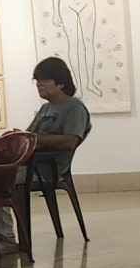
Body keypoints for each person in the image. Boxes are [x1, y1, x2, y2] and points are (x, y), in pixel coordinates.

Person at [24, 56, 91, 191]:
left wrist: (36, 139)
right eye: (37, 80)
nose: (38, 84)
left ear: (61, 83)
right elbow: (28, 135)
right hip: (32, 164)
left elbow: (70, 141)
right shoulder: (45, 108)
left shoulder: (74, 107)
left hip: (47, 168)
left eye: (44, 80)